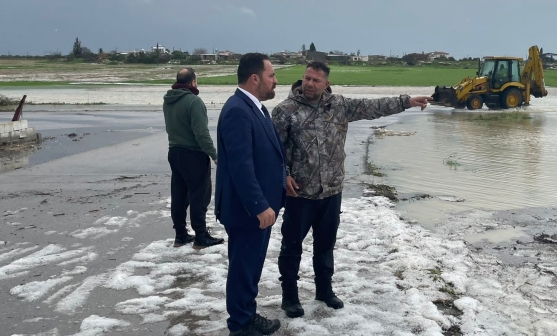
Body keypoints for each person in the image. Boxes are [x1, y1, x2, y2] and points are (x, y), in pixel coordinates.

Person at [271, 61, 432, 318]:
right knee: (292, 247)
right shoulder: (285, 111)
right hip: (300, 193)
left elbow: (373, 107)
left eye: (316, 80)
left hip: (332, 191)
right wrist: (284, 176)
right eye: (307, 78)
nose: (309, 84)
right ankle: (290, 296)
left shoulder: (339, 106)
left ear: (326, 84)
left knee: (326, 245)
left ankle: (324, 290)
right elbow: (273, 150)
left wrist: (407, 101)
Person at [215, 53, 284, 336]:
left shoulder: (256, 108)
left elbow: (265, 156)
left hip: (259, 209)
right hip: (247, 211)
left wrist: (284, 179)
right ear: (255, 78)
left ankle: (246, 314)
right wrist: (259, 206)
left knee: (250, 266)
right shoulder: (237, 110)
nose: (275, 81)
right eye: (271, 76)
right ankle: (240, 326)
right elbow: (240, 165)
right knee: (244, 268)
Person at [162, 67, 224, 250]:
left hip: (174, 152)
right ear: (193, 82)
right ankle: (200, 236)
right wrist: (214, 155)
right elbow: (201, 133)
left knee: (179, 194)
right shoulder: (194, 101)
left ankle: (180, 235)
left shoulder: (168, 100)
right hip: (193, 154)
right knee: (199, 195)